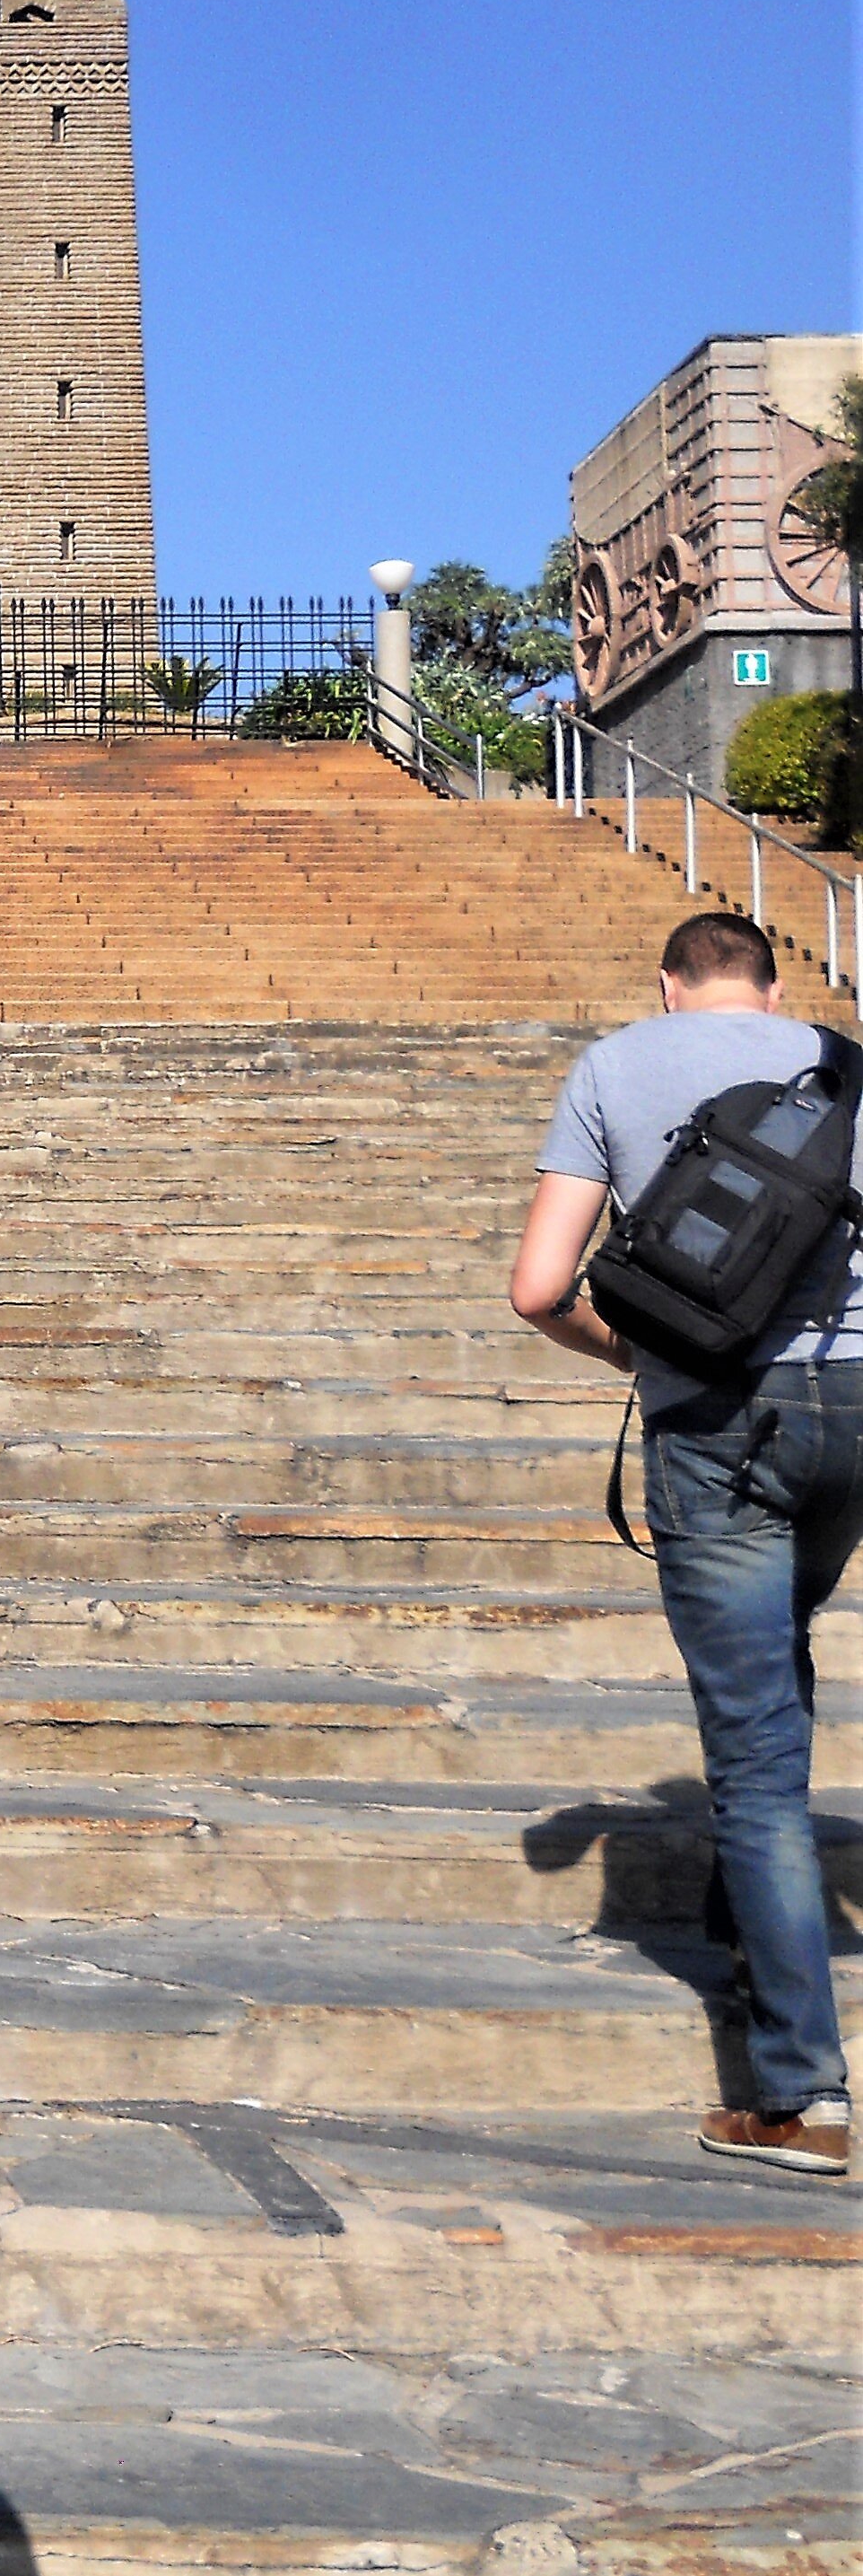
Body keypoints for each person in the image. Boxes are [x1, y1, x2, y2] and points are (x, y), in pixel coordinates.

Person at [508, 909, 854, 2177]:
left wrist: (642, 1358)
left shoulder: (615, 1066)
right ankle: (756, 1912)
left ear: (668, 987)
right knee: (777, 1655)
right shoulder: (848, 1064)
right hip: (853, 1420)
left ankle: (798, 2096)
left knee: (755, 1754)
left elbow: (540, 1286)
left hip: (718, 1420)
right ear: (776, 988)